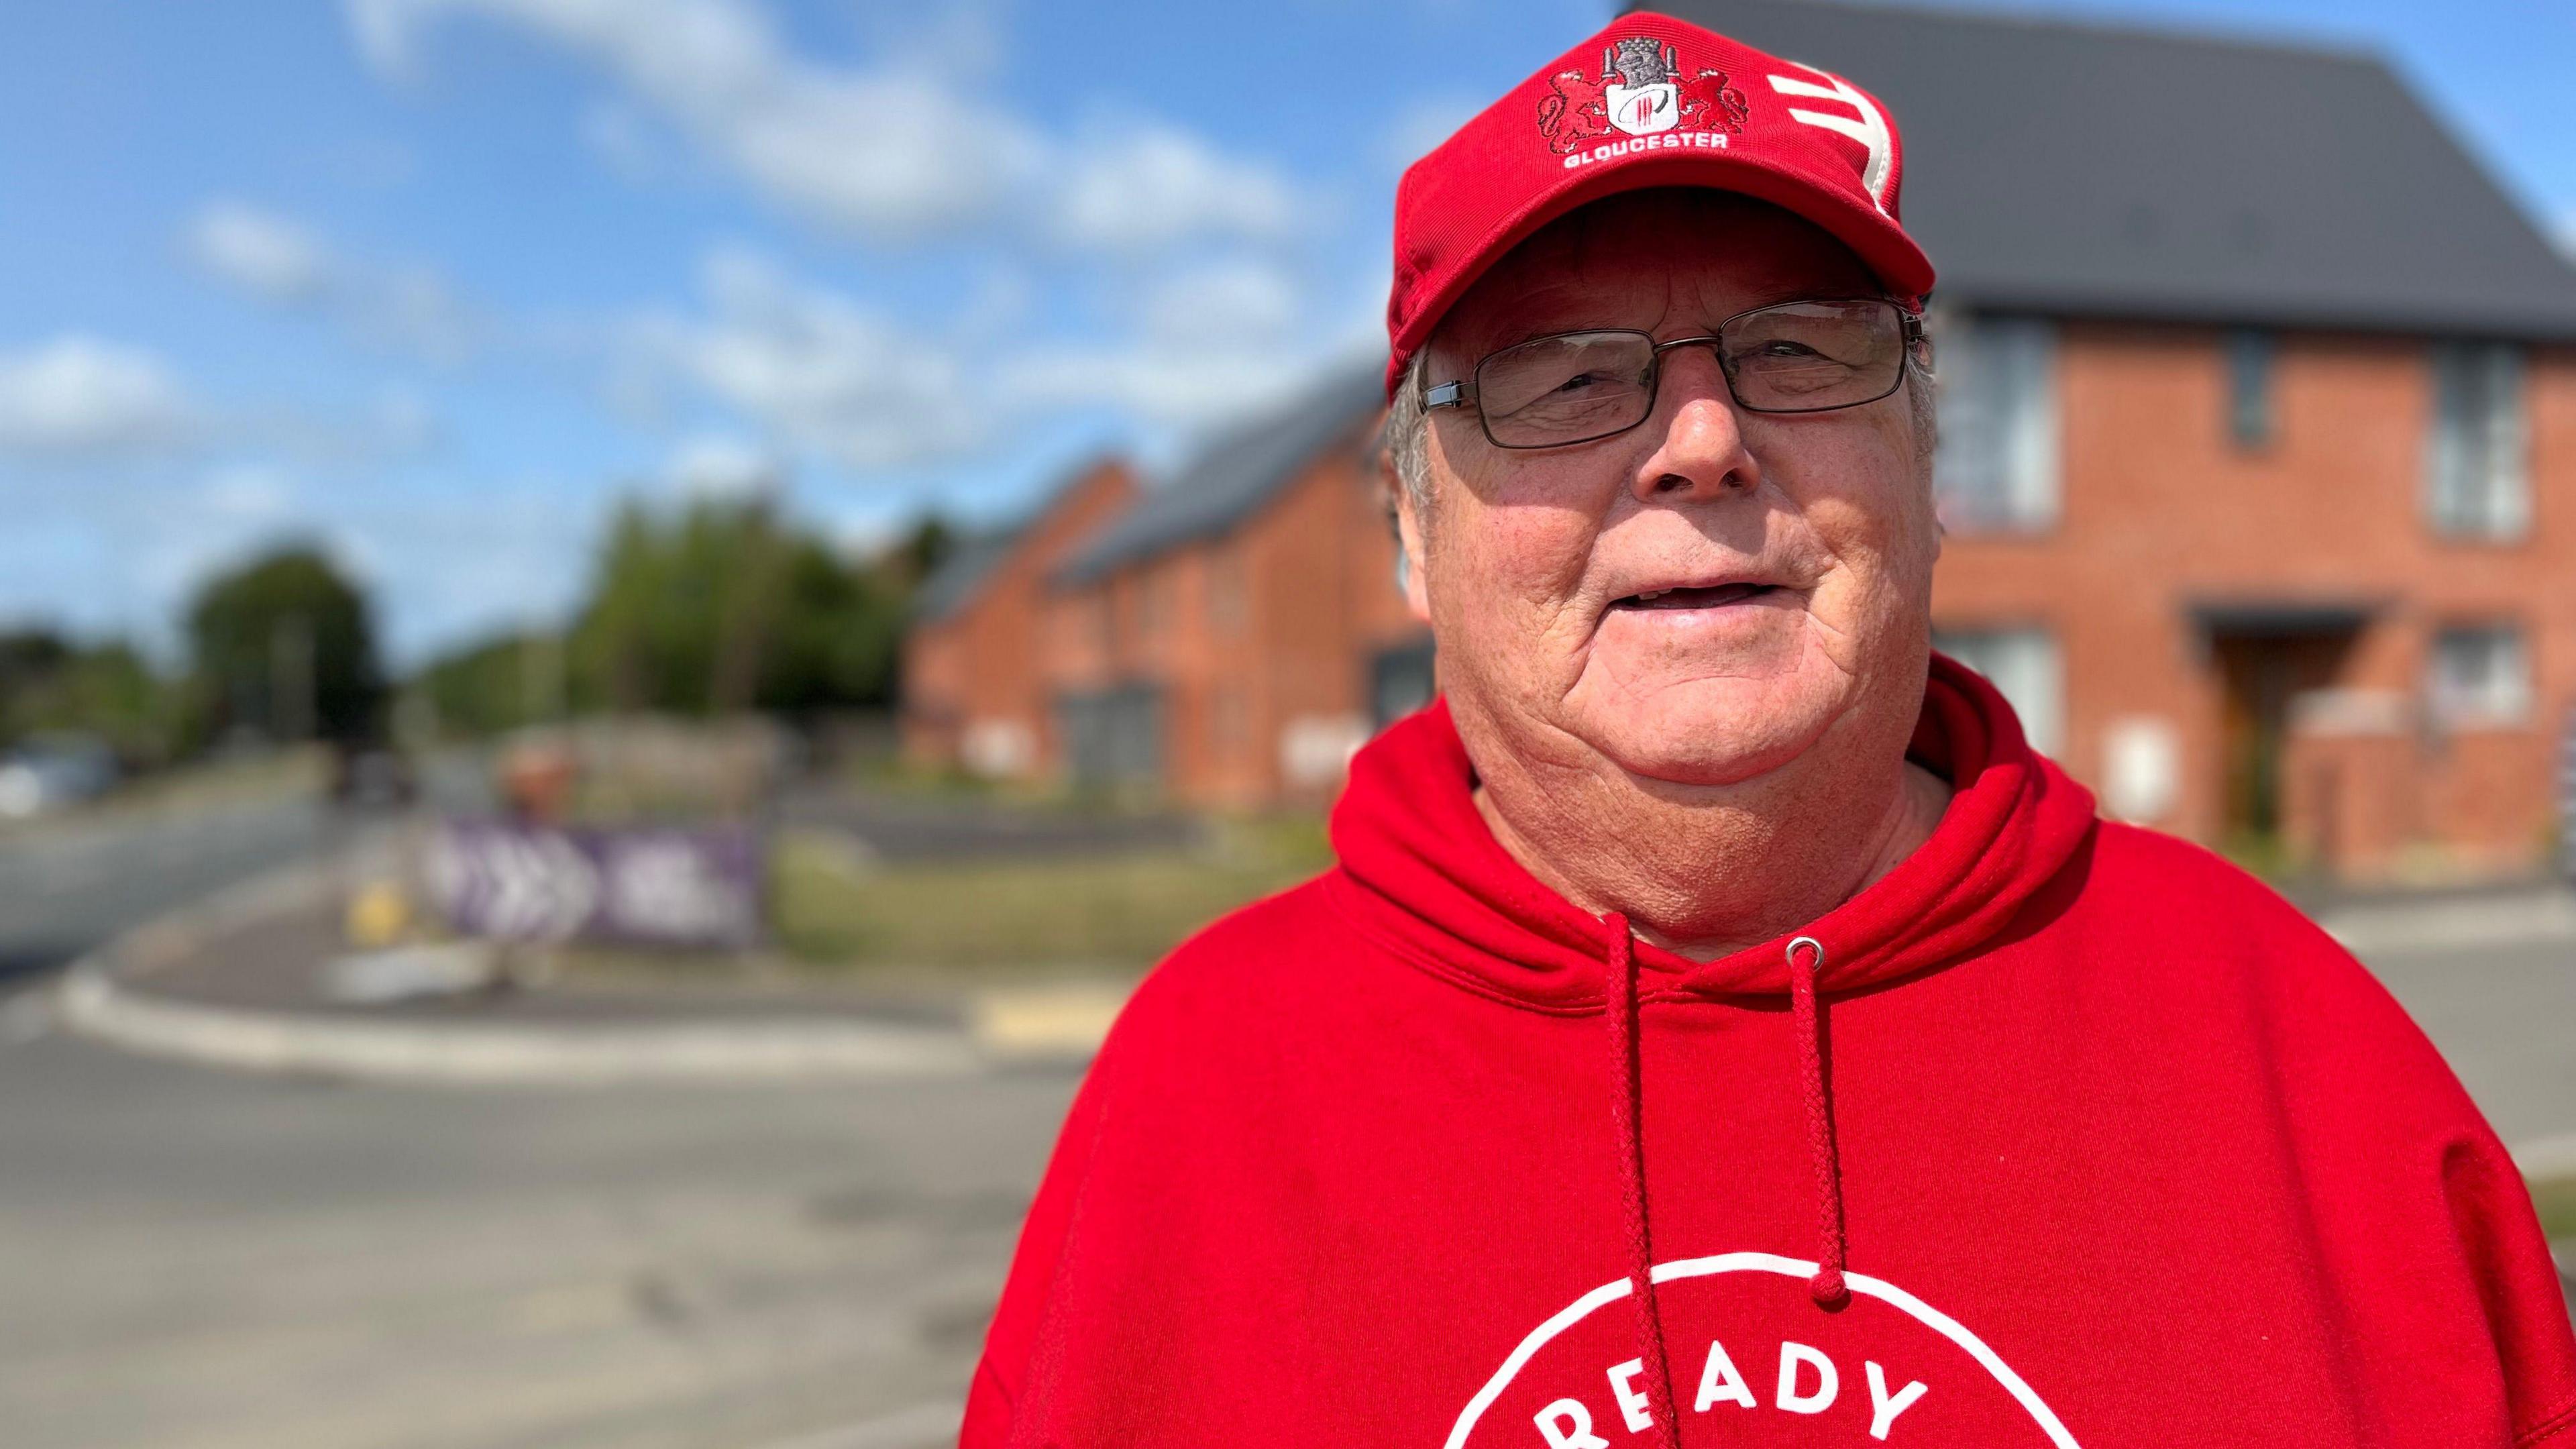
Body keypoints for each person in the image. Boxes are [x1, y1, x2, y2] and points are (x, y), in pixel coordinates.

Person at [964, 13, 2576, 1445]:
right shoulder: (1195, 1107)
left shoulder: (2307, 1062)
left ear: (1927, 477)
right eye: (1563, 377)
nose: (1704, 441)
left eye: (1800, 353)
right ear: (1409, 528)